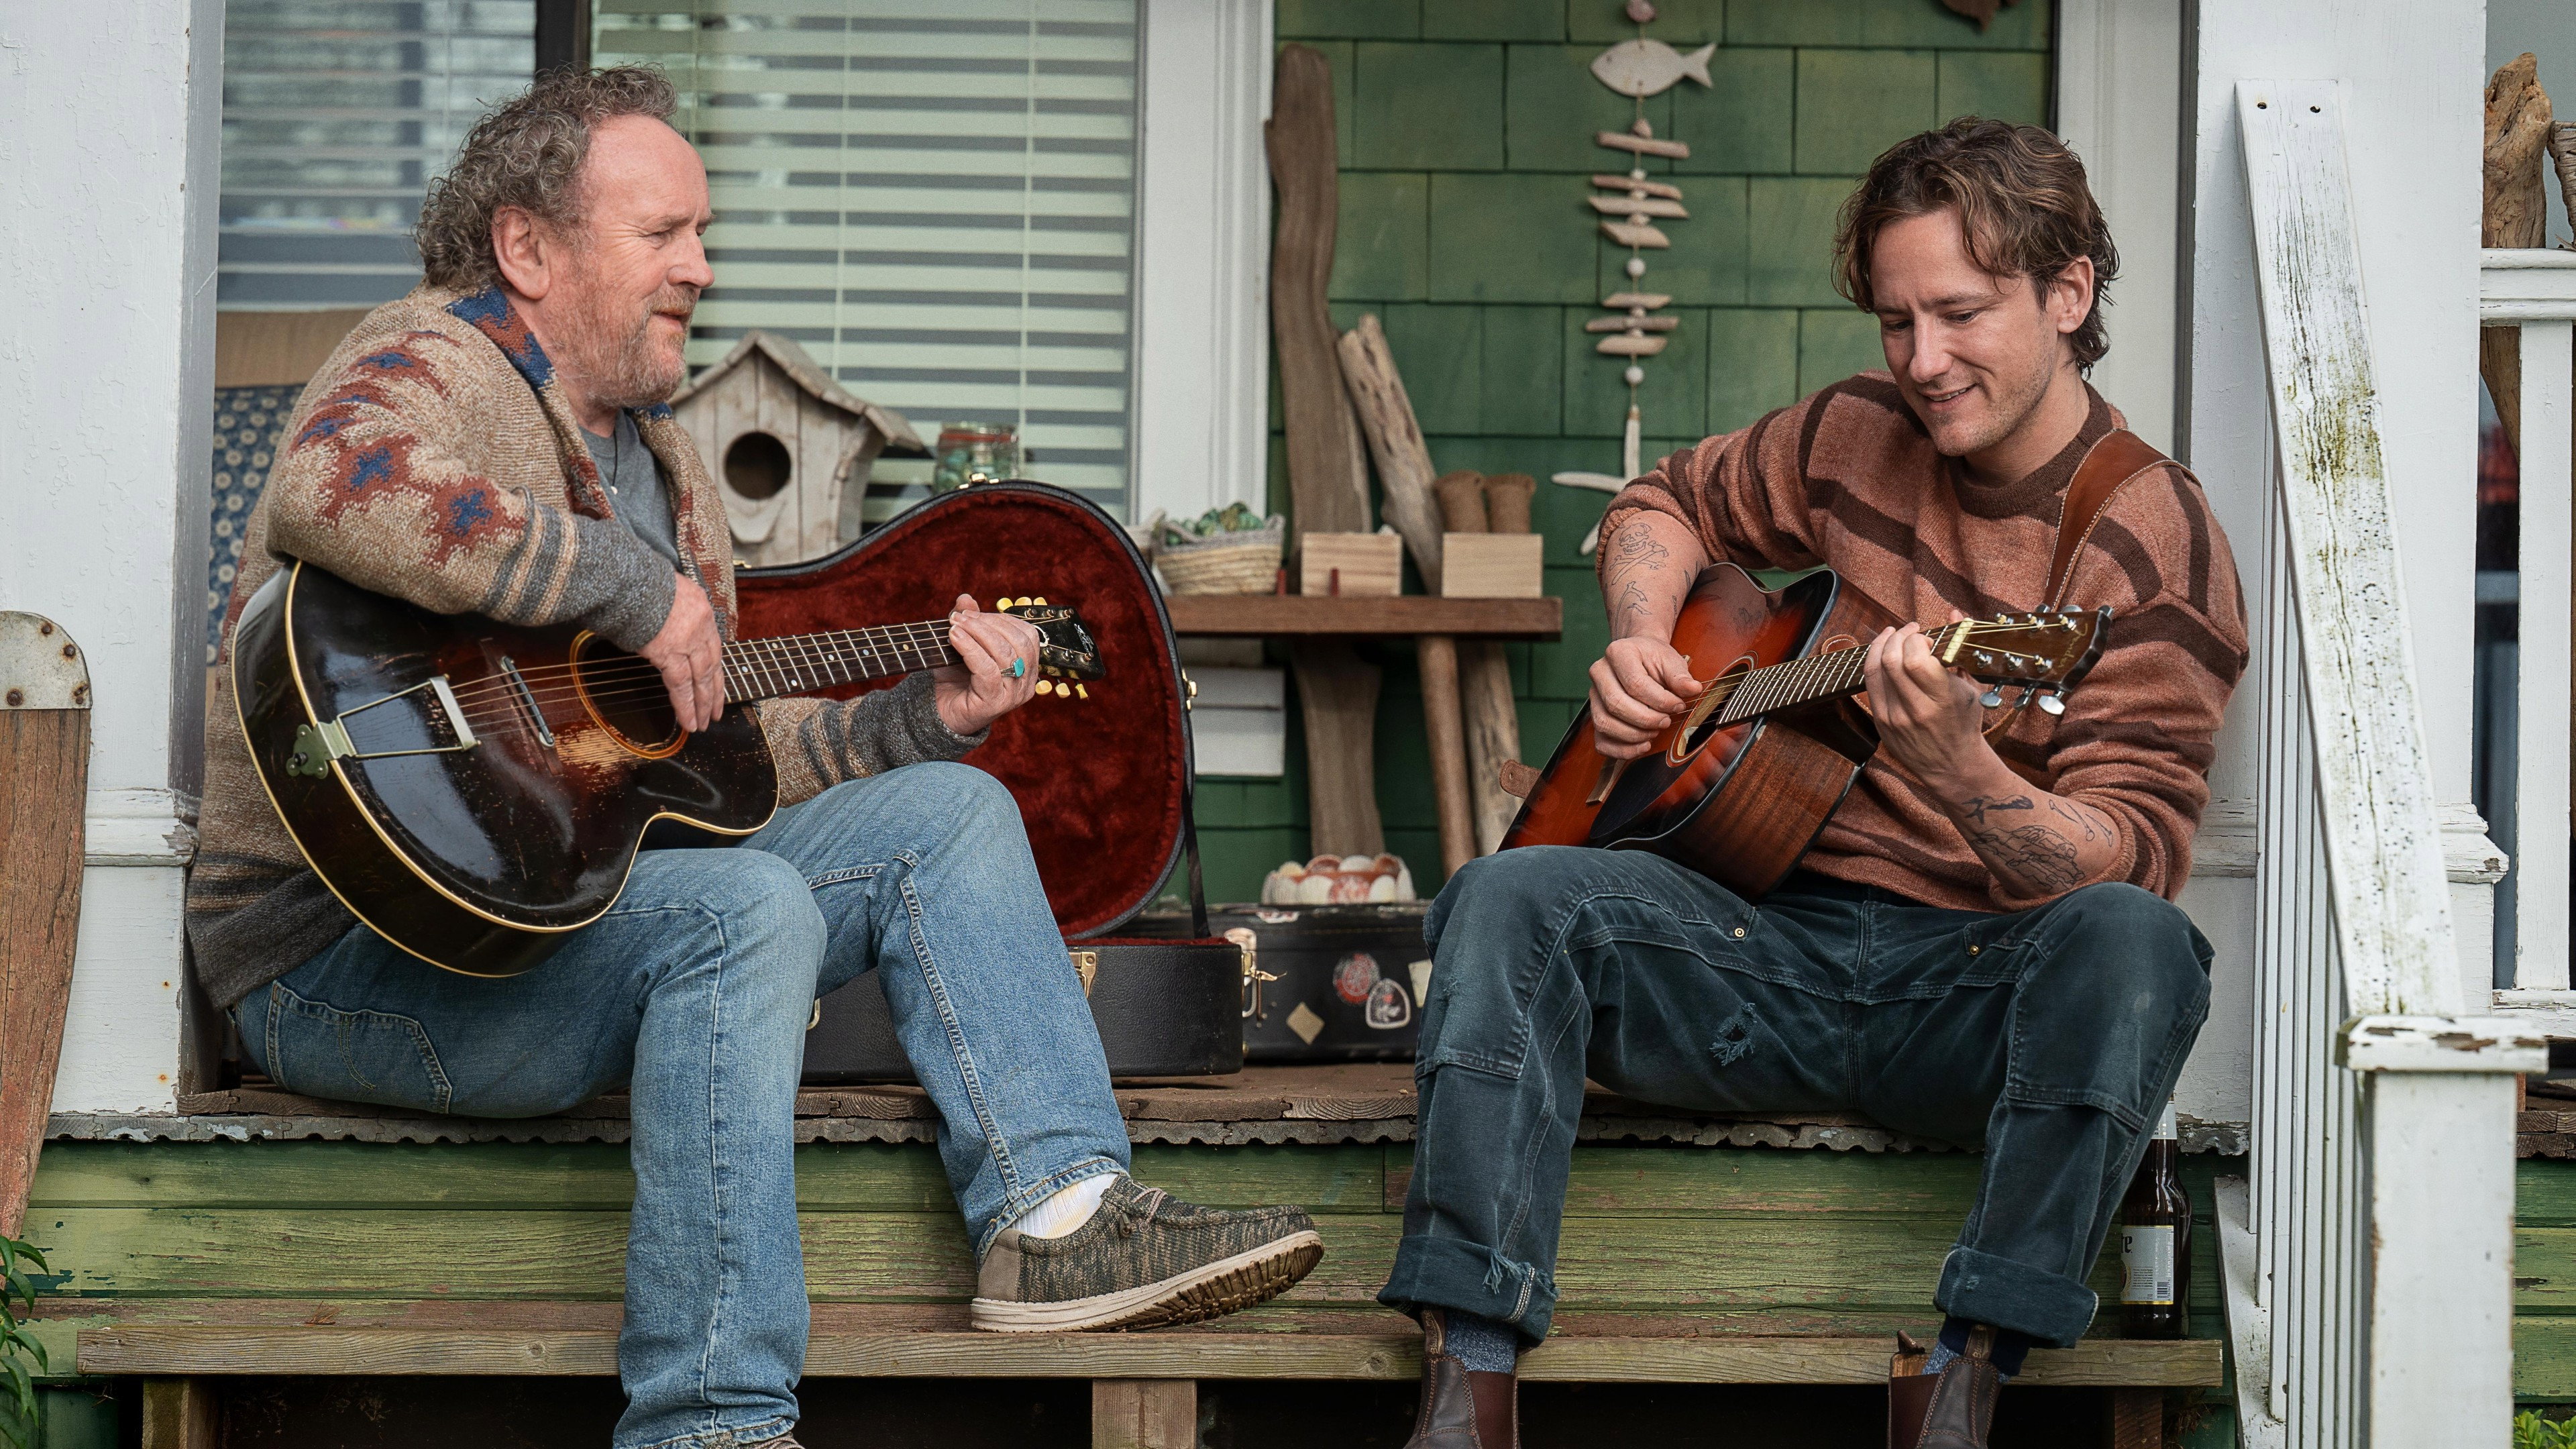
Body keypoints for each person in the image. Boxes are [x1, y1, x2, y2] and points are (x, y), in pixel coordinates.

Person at [188, 68, 1322, 1449]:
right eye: (661, 233)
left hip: (556, 918)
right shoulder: (441, 358)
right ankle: (711, 1419)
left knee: (952, 811)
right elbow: (328, 486)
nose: (701, 268)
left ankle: (1059, 1221)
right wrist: (628, 588)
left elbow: (713, 762)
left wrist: (919, 719)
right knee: (742, 909)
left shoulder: (671, 471)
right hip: (345, 955)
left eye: (703, 234)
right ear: (527, 247)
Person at [1379, 118, 2249, 1449]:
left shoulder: (2152, 537)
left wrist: (1964, 771)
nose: (1923, 361)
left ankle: (1964, 1379)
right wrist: (1641, 640)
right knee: (1509, 897)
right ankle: (1467, 1388)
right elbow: (1661, 502)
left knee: (2141, 947)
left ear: (2070, 293)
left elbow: (2130, 855)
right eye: (1897, 321)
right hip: (1759, 954)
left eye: (1960, 314)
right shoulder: (1856, 431)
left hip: (1971, 993)